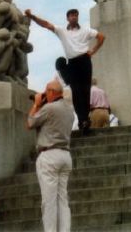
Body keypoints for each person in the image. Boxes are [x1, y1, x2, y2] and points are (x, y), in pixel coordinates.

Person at [25, 8, 104, 135]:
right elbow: (46, 24)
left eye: (75, 15)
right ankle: (82, 120)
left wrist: (93, 51)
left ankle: (85, 120)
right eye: (71, 15)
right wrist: (32, 17)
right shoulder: (62, 31)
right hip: (72, 63)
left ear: (77, 17)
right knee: (76, 92)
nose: (74, 17)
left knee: (85, 91)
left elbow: (101, 37)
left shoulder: (86, 30)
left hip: (84, 61)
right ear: (67, 18)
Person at [27, 79, 74, 232]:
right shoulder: (69, 109)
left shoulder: (49, 108)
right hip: (65, 155)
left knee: (49, 201)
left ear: (52, 92)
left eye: (47, 91)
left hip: (49, 156)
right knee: (62, 200)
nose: (44, 93)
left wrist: (36, 104)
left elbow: (30, 123)